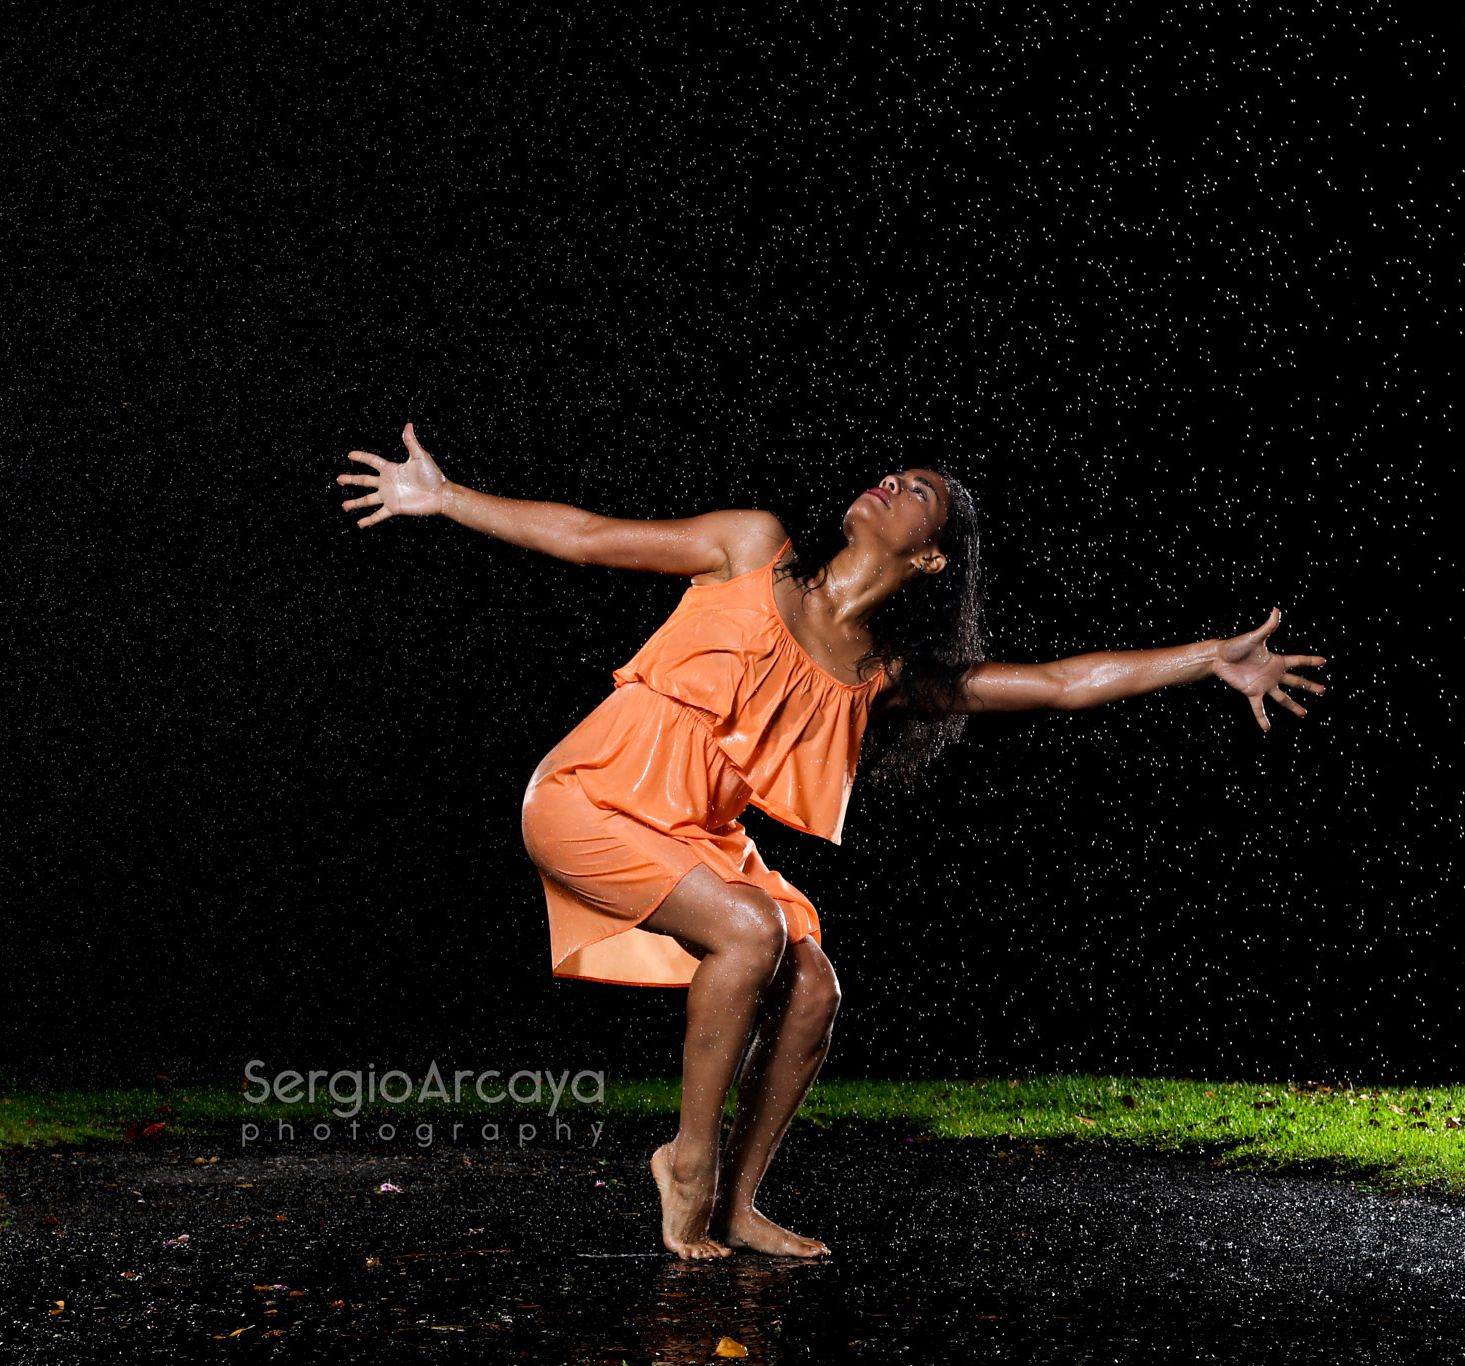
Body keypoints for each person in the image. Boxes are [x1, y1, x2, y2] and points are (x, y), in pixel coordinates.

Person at [338, 423, 1327, 1260]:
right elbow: (591, 537)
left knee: (812, 985)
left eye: (919, 493)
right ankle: (687, 1160)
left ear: (930, 556)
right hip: (589, 793)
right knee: (747, 933)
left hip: (694, 828)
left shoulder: (881, 672)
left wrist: (1209, 658)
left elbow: (1060, 684)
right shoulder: (750, 547)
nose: (892, 481)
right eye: (894, 472)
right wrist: (445, 496)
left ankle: (735, 1202)